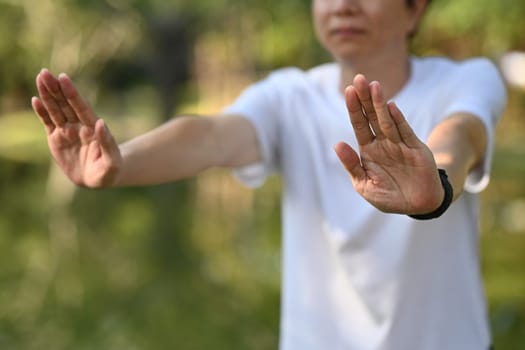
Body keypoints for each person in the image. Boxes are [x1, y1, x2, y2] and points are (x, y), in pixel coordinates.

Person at [31, 0, 506, 349]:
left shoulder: (466, 78)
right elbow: (211, 136)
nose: (342, 6)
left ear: (414, 9)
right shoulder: (287, 96)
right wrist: (122, 164)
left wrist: (437, 185)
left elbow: (461, 135)